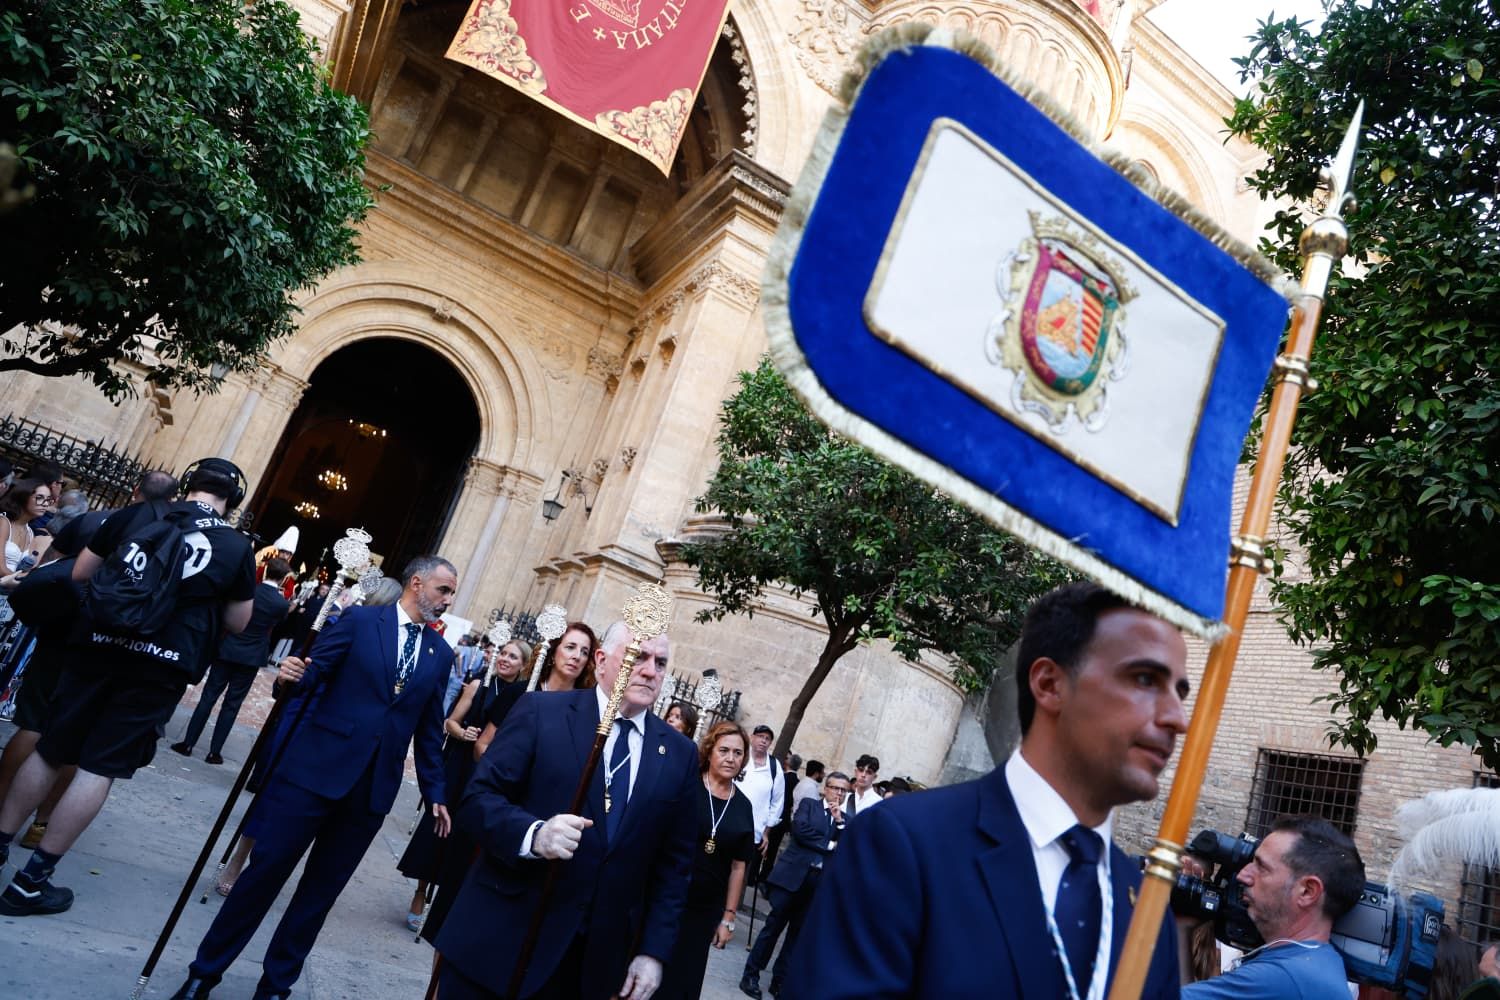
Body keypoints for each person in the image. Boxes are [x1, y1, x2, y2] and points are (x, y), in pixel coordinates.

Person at [786, 580, 1190, 998]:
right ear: (1049, 684)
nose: (1178, 718)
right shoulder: (905, 844)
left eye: (1180, 693)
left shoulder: (1146, 912)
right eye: (1145, 679)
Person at [169, 555, 459, 1000]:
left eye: (451, 593)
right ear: (417, 584)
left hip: (369, 794)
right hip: (313, 773)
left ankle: (275, 987)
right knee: (262, 877)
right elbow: (311, 674)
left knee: (318, 897)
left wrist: (436, 791)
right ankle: (204, 974)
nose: (448, 600)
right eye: (443, 590)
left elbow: (428, 728)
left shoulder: (439, 654)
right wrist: (288, 677)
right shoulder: (361, 622)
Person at [0, 458, 256, 916]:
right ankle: (29, 883)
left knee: (51, 748)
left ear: (188, 483)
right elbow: (239, 621)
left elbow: (80, 573)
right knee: (98, 768)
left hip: (98, 645)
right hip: (160, 665)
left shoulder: (138, 515)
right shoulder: (235, 546)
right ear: (233, 499)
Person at [433, 620, 698, 1000]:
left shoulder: (678, 753)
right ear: (602, 661)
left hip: (588, 965)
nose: (649, 670)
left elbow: (675, 867)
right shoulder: (542, 711)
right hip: (502, 940)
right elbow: (478, 799)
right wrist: (533, 835)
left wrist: (652, 952)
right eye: (638, 657)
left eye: (660, 662)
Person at [0, 470, 178, 851]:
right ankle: (41, 824)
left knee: (33, 724)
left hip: (61, 632)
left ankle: (2, 805)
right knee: (71, 738)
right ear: (172, 500)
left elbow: (48, 569)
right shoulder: (169, 536)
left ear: (134, 490)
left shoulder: (94, 521)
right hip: (106, 643)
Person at [400, 635, 533, 934]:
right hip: (460, 765)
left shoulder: (522, 697)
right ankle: (420, 892)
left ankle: (447, 902)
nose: (505, 659)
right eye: (503, 653)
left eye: (513, 657)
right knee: (439, 830)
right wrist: (463, 733)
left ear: (524, 665)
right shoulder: (478, 685)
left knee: (466, 837)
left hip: (488, 772)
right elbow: (450, 721)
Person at [1181, 816, 1364, 999]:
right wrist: (1183, 925)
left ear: (1307, 891)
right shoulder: (1317, 963)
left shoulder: (1282, 978)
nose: (1243, 875)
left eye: (1261, 867)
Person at [657, 721, 756, 1000]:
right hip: (665, 896)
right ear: (710, 751)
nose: (731, 758)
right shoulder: (687, 784)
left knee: (682, 980)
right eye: (724, 750)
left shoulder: (744, 806)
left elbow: (738, 866)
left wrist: (728, 917)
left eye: (738, 753)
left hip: (704, 910)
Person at [739, 770, 852, 1000]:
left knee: (796, 936)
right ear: (826, 788)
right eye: (835, 788)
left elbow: (847, 845)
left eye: (843, 790)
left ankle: (780, 980)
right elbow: (801, 831)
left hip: (818, 885)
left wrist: (839, 821)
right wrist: (830, 846)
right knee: (773, 928)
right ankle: (751, 974)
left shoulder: (845, 820)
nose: (839, 793)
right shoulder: (809, 805)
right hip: (792, 879)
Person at [170, 557, 293, 764]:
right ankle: (214, 752)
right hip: (252, 655)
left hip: (229, 649)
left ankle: (188, 743)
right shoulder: (281, 604)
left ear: (265, 571)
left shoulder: (249, 591)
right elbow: (278, 624)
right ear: (283, 579)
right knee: (232, 704)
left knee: (208, 696)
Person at [473, 621, 597, 758]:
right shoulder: (518, 693)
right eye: (570, 647)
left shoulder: (584, 707)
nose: (577, 656)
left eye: (584, 652)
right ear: (553, 652)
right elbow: (482, 745)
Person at [734, 724, 784, 877]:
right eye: (760, 736)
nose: (763, 741)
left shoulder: (774, 767)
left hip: (754, 830)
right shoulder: (740, 756)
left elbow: (777, 802)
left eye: (767, 739)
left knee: (741, 871)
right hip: (730, 821)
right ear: (752, 737)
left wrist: (766, 832)